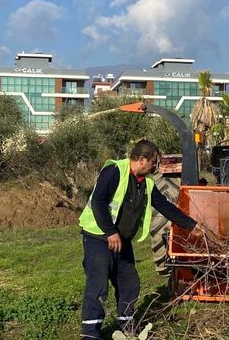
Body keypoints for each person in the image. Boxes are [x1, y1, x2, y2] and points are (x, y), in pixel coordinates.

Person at [78, 140, 202, 339]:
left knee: (129, 283)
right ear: (142, 159)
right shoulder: (114, 172)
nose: (156, 167)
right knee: (98, 284)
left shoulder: (147, 183)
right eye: (154, 162)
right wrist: (110, 232)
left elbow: (165, 206)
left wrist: (191, 225)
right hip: (98, 238)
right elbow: (98, 202)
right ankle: (91, 333)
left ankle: (127, 325)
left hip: (122, 241)